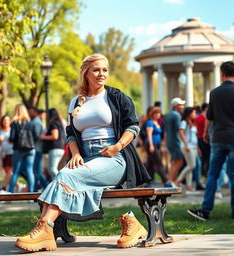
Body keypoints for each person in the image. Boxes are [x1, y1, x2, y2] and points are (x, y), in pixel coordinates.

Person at [15, 53, 150, 252]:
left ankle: (44, 229)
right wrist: (76, 154)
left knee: (65, 175)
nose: (101, 74)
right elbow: (70, 133)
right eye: (96, 70)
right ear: (86, 73)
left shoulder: (116, 97)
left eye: (105, 70)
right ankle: (45, 231)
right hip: (85, 157)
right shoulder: (76, 102)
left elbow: (133, 127)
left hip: (113, 158)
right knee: (65, 175)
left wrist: (117, 146)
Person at [188, 61, 234, 221]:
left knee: (212, 175)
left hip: (218, 138)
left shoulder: (215, 93)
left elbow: (210, 116)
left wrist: (205, 132)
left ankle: (205, 210)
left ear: (222, 73)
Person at [8, 104, 36, 193]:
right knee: (29, 171)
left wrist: (10, 140)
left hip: (18, 148)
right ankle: (31, 193)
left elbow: (12, 137)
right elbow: (35, 136)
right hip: (31, 149)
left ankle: (10, 192)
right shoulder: (30, 123)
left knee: (15, 171)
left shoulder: (14, 123)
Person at [175, 107, 198, 193]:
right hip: (187, 147)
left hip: (193, 147)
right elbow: (180, 132)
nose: (195, 114)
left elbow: (194, 137)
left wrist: (198, 148)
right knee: (192, 165)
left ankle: (189, 187)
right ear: (189, 114)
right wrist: (186, 144)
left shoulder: (192, 122)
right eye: (194, 112)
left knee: (190, 166)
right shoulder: (184, 122)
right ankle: (178, 181)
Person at [164, 97, 185, 186]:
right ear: (176, 106)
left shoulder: (169, 115)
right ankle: (170, 181)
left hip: (170, 141)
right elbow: (178, 130)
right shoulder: (176, 115)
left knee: (175, 161)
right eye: (181, 105)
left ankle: (171, 180)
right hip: (176, 141)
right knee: (178, 161)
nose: (183, 106)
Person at [144, 106, 168, 185]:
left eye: (159, 113)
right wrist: (151, 145)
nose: (158, 115)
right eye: (156, 113)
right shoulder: (150, 122)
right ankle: (166, 181)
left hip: (157, 145)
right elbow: (149, 134)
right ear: (153, 114)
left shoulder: (157, 122)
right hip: (151, 144)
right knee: (159, 162)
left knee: (150, 164)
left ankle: (146, 181)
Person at [40, 108, 66, 179]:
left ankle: (62, 182)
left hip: (55, 149)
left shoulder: (53, 123)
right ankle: (57, 184)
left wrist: (43, 137)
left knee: (52, 169)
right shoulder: (59, 123)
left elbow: (55, 136)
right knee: (52, 169)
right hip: (60, 148)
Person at [28, 106, 48, 192]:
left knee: (36, 171)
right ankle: (44, 187)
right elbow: (36, 136)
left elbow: (36, 136)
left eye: (31, 112)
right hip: (36, 148)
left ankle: (45, 186)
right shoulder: (36, 122)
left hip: (37, 149)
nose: (29, 114)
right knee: (36, 171)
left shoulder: (36, 122)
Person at [195, 103, 210, 184]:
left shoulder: (197, 118)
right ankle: (205, 177)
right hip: (205, 139)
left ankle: (204, 177)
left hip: (199, 139)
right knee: (207, 159)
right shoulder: (205, 118)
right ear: (206, 108)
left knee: (203, 159)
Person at [0, 115, 13, 191]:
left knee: (9, 171)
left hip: (11, 152)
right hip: (4, 154)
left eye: (7, 120)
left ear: (10, 121)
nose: (6, 122)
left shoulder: (12, 130)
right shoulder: (0, 131)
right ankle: (19, 185)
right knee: (7, 172)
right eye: (4, 120)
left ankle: (3, 188)